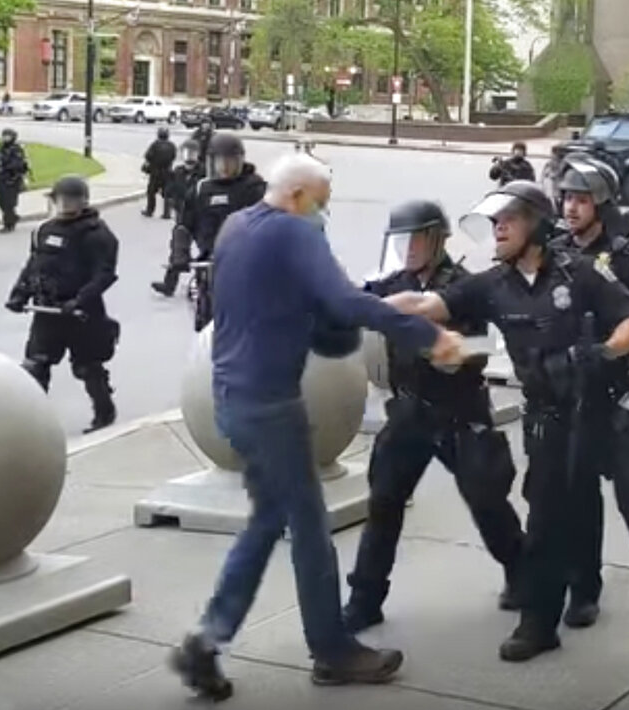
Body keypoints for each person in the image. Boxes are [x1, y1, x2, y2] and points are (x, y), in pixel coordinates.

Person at [169, 152, 467, 700]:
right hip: (271, 405)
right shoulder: (293, 232)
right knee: (308, 529)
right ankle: (332, 650)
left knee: (266, 523)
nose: (324, 217)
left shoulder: (239, 226)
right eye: (322, 205)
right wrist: (428, 335)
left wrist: (376, 304)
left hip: (231, 397)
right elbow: (339, 301)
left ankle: (207, 642)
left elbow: (303, 306)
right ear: (299, 196)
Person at [385, 180, 629, 668]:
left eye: (509, 218)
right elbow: (424, 307)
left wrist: (601, 353)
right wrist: (354, 307)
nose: (498, 228)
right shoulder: (491, 285)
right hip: (551, 415)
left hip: (609, 407)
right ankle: (538, 624)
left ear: (537, 223)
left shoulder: (584, 273)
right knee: (546, 521)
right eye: (494, 221)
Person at [342, 200, 526, 632]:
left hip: (459, 411)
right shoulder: (393, 284)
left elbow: (484, 349)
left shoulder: (461, 288)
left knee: (486, 500)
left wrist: (456, 354)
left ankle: (521, 571)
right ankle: (365, 598)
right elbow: (353, 305)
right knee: (384, 501)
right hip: (409, 411)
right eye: (400, 240)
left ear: (436, 239)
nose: (407, 250)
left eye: (415, 239)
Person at [549, 156, 629, 630]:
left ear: (601, 203)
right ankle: (582, 587)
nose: (571, 208)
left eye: (581, 199)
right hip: (566, 386)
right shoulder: (555, 250)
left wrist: (624, 368)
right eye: (567, 198)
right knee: (572, 494)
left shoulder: (624, 255)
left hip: (613, 387)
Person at [4, 175, 120, 433]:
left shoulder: (96, 233)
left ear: (83, 202)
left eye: (72, 201)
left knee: (88, 367)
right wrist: (19, 294)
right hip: (48, 311)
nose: (66, 206)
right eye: (62, 200)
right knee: (35, 366)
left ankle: (104, 412)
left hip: (81, 313)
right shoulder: (44, 230)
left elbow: (105, 274)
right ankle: (29, 422)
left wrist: (80, 299)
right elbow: (33, 265)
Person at [151, 134, 265, 323]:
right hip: (210, 260)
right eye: (221, 163)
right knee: (204, 310)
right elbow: (183, 226)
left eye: (230, 162)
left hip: (247, 261)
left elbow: (269, 223)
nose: (225, 168)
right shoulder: (201, 190)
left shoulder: (254, 187)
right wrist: (180, 254)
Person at [0, 128, 29, 233]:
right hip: (1, 178)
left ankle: (8, 224)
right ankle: (13, 217)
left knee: (9, 203)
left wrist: (6, 165)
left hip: (12, 179)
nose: (5, 138)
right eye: (4, 136)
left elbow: (17, 164)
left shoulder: (16, 149)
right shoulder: (0, 148)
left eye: (8, 136)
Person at [165, 139, 204, 226]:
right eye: (187, 153)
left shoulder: (203, 172)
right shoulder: (178, 171)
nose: (189, 156)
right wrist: (170, 199)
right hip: (180, 209)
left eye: (192, 153)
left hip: (197, 212)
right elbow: (170, 187)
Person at [142, 126, 177, 219]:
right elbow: (174, 156)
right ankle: (167, 213)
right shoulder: (172, 146)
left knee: (151, 192)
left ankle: (150, 210)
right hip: (167, 171)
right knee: (167, 193)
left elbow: (148, 156)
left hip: (155, 172)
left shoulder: (155, 145)